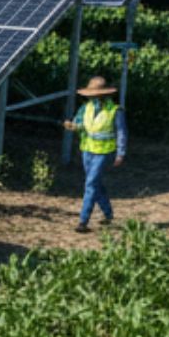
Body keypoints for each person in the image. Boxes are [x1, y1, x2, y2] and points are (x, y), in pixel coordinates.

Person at [62, 76, 125, 234]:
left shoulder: (115, 111)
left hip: (104, 152)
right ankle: (108, 214)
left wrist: (120, 153)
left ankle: (83, 221)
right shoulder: (86, 108)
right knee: (96, 183)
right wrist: (72, 126)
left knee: (90, 184)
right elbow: (80, 125)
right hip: (88, 150)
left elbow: (122, 133)